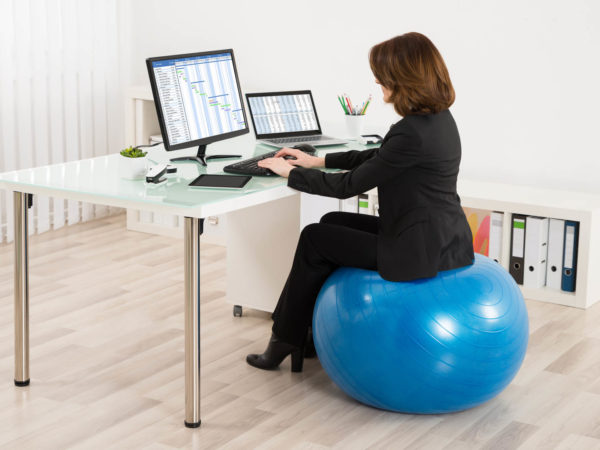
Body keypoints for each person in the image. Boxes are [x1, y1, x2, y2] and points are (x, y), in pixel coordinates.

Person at [246, 32, 475, 373]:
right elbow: (379, 155)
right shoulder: (437, 120)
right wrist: (316, 161)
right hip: (440, 240)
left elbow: (349, 186)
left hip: (417, 251)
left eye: (383, 77)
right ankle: (303, 333)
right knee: (332, 226)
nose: (379, 83)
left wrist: (288, 173)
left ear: (404, 80)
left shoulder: (411, 131)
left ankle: (285, 337)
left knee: (314, 238)